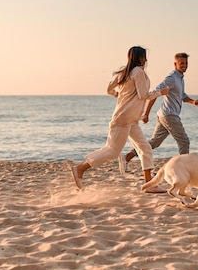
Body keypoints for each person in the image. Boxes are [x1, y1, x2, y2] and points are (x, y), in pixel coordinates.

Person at [70, 46, 169, 192]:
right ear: (141, 58)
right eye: (144, 56)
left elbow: (109, 89)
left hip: (131, 120)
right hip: (123, 120)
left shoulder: (125, 72)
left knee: (145, 148)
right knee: (112, 151)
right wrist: (160, 92)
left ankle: (150, 185)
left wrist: (120, 96)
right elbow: (143, 95)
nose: (146, 59)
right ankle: (80, 168)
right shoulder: (138, 72)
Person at [120, 52, 198, 173]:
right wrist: (146, 113)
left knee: (154, 142)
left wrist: (193, 102)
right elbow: (155, 93)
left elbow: (182, 96)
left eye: (186, 63)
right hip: (169, 115)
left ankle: (127, 157)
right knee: (184, 141)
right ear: (175, 64)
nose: (184, 65)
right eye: (182, 63)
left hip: (164, 115)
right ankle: (185, 169)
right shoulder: (171, 78)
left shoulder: (180, 78)